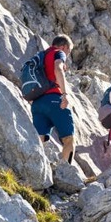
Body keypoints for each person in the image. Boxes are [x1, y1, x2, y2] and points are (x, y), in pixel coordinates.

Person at [31, 35, 76, 164]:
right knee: (69, 139)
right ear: (64, 47)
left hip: (37, 102)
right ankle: (67, 173)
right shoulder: (58, 53)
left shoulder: (40, 56)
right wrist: (65, 94)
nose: (67, 55)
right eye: (69, 51)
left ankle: (36, 169)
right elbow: (58, 68)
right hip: (54, 100)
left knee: (41, 139)